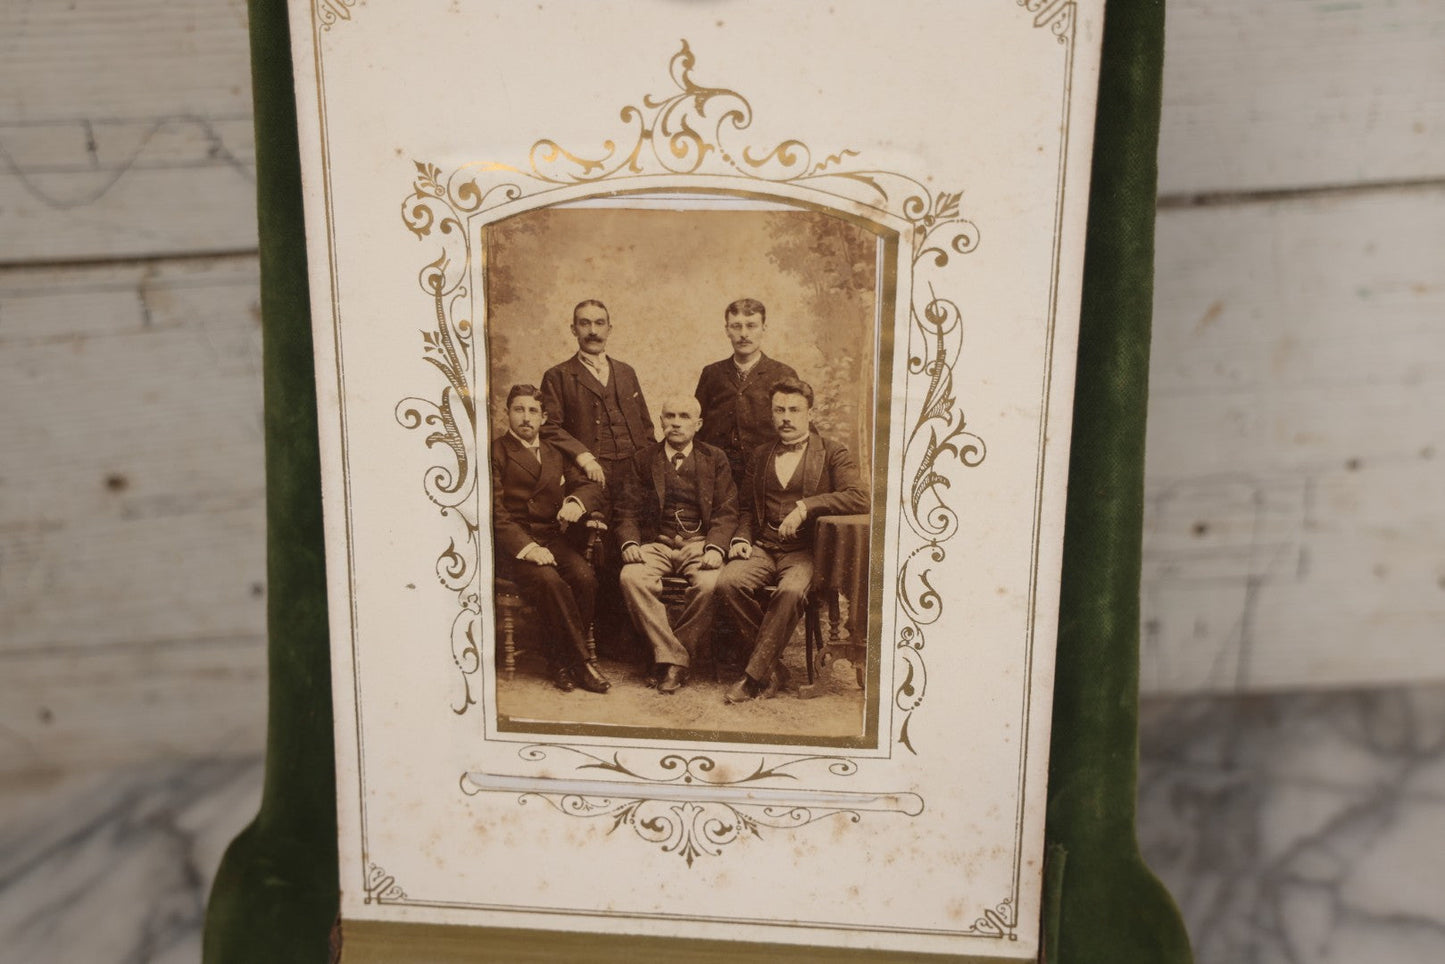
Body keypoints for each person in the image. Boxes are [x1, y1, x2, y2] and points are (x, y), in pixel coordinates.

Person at [715, 377, 868, 702]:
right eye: (779, 410)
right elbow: (744, 507)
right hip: (763, 547)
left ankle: (753, 677)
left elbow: (859, 497)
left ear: (809, 413)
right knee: (727, 584)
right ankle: (774, 668)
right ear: (771, 414)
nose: (786, 417)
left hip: (805, 551)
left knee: (790, 591)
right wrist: (741, 538)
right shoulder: (760, 455)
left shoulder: (831, 452)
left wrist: (805, 507)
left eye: (794, 410)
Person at [491, 384, 611, 694]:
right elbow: (494, 512)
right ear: (508, 414)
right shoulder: (496, 451)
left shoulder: (554, 451)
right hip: (515, 548)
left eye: (533, 411)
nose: (526, 418)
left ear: (544, 417)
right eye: (519, 410)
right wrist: (528, 548)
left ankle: (560, 662)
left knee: (585, 577)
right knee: (550, 581)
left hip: (551, 539)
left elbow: (591, 487)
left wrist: (575, 502)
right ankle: (581, 663)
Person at [615, 397, 739, 694]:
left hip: (699, 544)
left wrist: (714, 547)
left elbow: (727, 510)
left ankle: (667, 660)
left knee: (710, 585)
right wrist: (630, 543)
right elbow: (626, 510)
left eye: (684, 416)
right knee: (630, 577)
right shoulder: (643, 459)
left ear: (697, 425)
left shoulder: (715, 458)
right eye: (669, 416)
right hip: (656, 544)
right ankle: (677, 659)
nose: (676, 422)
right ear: (660, 421)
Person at [540, 299, 655, 492]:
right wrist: (585, 459)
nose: (593, 331)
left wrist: (651, 461)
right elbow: (549, 427)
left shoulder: (626, 371)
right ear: (573, 329)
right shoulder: (557, 375)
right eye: (585, 323)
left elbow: (645, 425)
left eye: (599, 323)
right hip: (590, 471)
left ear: (609, 329)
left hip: (634, 470)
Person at [693, 298, 799, 487]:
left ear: (764, 328)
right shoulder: (712, 373)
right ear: (727, 330)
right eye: (736, 326)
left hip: (766, 473)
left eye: (751, 326)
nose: (744, 334)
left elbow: (799, 425)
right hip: (717, 474)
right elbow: (696, 425)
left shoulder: (783, 374)